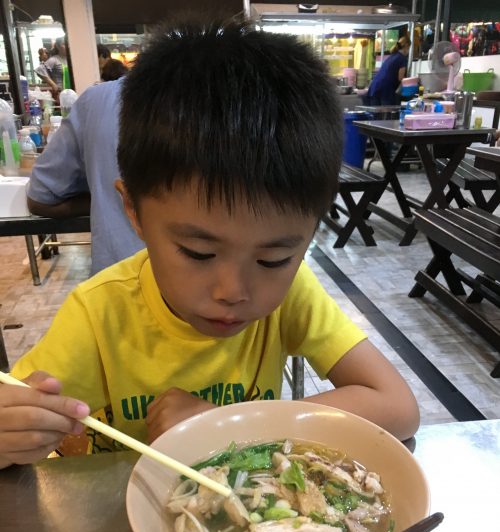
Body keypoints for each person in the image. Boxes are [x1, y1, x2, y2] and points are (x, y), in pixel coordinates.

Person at [0, 16, 419, 468]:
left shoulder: (291, 296)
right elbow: (18, 415)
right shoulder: (100, 317)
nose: (232, 291)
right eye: (198, 253)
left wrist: (233, 426)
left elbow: (398, 407)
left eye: (274, 259)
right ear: (134, 211)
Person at [26, 77, 144, 275]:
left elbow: (40, 196)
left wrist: (102, 197)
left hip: (116, 283)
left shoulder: (99, 100)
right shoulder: (210, 97)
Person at [365, 35, 411, 106]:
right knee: (387, 115)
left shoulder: (392, 56)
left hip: (375, 87)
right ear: (407, 46)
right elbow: (400, 78)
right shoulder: (402, 58)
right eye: (409, 48)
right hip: (386, 90)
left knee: (376, 116)